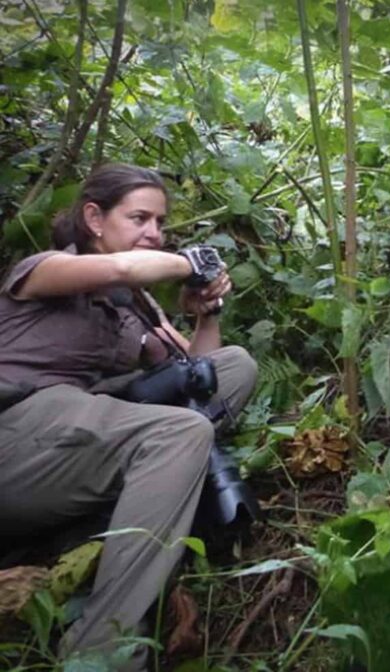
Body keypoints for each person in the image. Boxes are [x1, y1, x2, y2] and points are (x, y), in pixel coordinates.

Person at [0, 164, 257, 669]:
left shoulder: (132, 310)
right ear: (94, 217)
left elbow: (197, 373)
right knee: (181, 431)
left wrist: (206, 311)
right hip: (16, 436)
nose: (154, 234)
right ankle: (103, 646)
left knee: (235, 368)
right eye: (140, 218)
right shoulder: (44, 269)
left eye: (160, 223)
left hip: (72, 438)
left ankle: (144, 487)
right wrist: (186, 264)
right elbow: (119, 269)